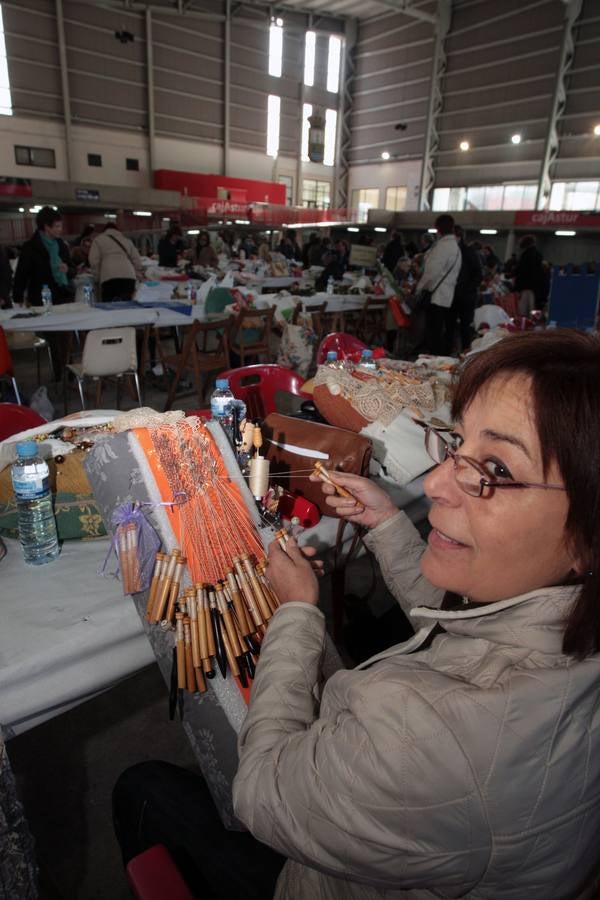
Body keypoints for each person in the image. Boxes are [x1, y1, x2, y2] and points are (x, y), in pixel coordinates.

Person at [113, 330, 600, 899]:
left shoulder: (429, 737)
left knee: (141, 790)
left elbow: (261, 791)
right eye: (457, 445)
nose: (439, 483)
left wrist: (296, 612)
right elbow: (471, 630)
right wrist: (388, 522)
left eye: (493, 469)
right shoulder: (556, 629)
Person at [416, 213, 461, 355]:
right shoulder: (456, 248)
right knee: (439, 332)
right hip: (447, 296)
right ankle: (439, 361)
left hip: (436, 296)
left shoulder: (443, 247)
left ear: (438, 229)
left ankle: (433, 363)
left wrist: (419, 288)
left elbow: (431, 272)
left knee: (433, 334)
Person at [13, 206, 73, 306]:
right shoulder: (31, 247)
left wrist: (67, 270)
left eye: (60, 226)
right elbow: (21, 274)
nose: (60, 230)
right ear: (46, 227)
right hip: (40, 298)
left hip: (63, 296)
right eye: (57, 226)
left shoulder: (61, 245)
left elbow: (72, 269)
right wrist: (18, 298)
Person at [446, 225, 484, 352]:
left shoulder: (469, 252)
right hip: (452, 296)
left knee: (465, 327)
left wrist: (465, 289)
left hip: (465, 297)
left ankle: (466, 352)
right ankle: (449, 352)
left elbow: (478, 275)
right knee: (450, 326)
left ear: (459, 237)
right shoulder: (450, 252)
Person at [88, 222, 142, 302]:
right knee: (128, 306)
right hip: (129, 277)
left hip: (109, 278)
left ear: (104, 230)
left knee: (110, 308)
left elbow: (94, 261)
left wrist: (97, 278)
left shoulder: (98, 240)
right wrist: (136, 272)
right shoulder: (127, 240)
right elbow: (137, 260)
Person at [515, 234, 547, 314]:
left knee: (523, 310)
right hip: (536, 287)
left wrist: (517, 287)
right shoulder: (539, 255)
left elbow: (520, 272)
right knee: (533, 309)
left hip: (525, 286)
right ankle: (533, 323)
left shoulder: (525, 255)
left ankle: (524, 324)